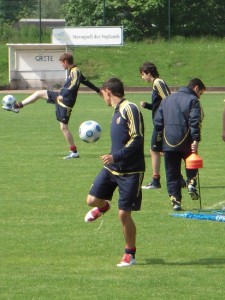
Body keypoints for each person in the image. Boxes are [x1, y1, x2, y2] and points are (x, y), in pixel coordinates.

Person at [84, 78, 145, 267]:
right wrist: (114, 158)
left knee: (124, 215)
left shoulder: (130, 108)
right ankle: (103, 207)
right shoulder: (116, 111)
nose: (103, 97)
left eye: (102, 94)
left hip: (131, 171)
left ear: (108, 92)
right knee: (91, 201)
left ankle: (130, 254)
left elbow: (137, 138)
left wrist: (115, 156)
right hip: (113, 168)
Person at [3, 53, 102, 159]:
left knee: (63, 127)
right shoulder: (73, 71)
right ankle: (17, 106)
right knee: (39, 93)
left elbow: (73, 85)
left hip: (65, 102)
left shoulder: (75, 71)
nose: (61, 65)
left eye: (61, 63)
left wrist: (63, 95)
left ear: (65, 61)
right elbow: (86, 81)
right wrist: (98, 90)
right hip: (60, 97)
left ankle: (74, 152)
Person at [154, 78, 206, 211]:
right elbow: (194, 121)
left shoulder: (166, 100)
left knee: (171, 172)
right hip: (186, 139)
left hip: (168, 141)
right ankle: (191, 182)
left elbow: (158, 123)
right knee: (191, 163)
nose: (200, 96)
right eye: (201, 93)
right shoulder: (193, 100)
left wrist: (158, 144)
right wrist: (195, 139)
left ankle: (175, 201)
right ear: (195, 88)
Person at [139, 62, 171, 189]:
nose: (142, 78)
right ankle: (178, 179)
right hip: (160, 122)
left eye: (143, 74)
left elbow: (168, 100)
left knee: (154, 150)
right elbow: (159, 105)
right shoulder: (157, 83)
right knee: (162, 151)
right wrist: (147, 105)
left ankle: (156, 181)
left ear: (148, 73)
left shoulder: (158, 82)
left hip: (161, 124)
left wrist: (164, 120)